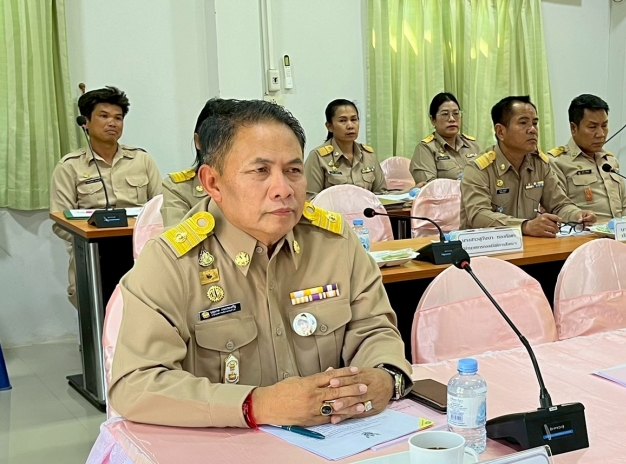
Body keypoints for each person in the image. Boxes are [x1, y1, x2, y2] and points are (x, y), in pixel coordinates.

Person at [108, 99, 413, 428]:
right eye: (260, 171)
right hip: (226, 445)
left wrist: (385, 375)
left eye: (293, 170)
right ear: (213, 183)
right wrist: (256, 405)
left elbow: (374, 329)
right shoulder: (171, 262)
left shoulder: (336, 244)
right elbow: (135, 384)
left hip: (335, 437)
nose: (283, 189)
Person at [50, 86, 161, 308]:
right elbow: (60, 222)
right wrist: (94, 233)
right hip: (93, 254)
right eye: (104, 116)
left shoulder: (141, 160)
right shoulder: (69, 167)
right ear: (85, 122)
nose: (112, 123)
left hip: (139, 251)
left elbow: (160, 208)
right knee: (98, 316)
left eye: (118, 118)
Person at [460, 95, 596, 237]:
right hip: (486, 245)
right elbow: (478, 216)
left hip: (529, 245)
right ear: (500, 131)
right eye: (523, 123)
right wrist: (525, 226)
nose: (533, 130)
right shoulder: (477, 169)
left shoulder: (539, 163)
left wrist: (578, 214)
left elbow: (559, 204)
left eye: (535, 123)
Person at [548, 94, 626, 219]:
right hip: (584, 229)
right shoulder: (557, 162)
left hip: (618, 229)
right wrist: (578, 217)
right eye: (592, 127)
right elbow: (558, 207)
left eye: (604, 125)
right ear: (573, 128)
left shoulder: (609, 160)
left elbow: (625, 205)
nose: (601, 134)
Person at [160, 99, 233, 226]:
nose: (224, 149)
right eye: (216, 141)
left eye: (231, 142)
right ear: (198, 141)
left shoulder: (255, 180)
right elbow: (176, 235)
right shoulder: (178, 188)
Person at [304, 99, 388, 199]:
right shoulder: (318, 157)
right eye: (342, 121)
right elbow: (310, 199)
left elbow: (381, 195)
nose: (350, 126)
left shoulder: (368, 155)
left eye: (354, 119)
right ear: (329, 126)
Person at [410, 92, 481, 185]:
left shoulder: (472, 145)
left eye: (456, 113)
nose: (452, 119)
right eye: (445, 114)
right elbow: (430, 187)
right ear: (433, 120)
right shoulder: (425, 149)